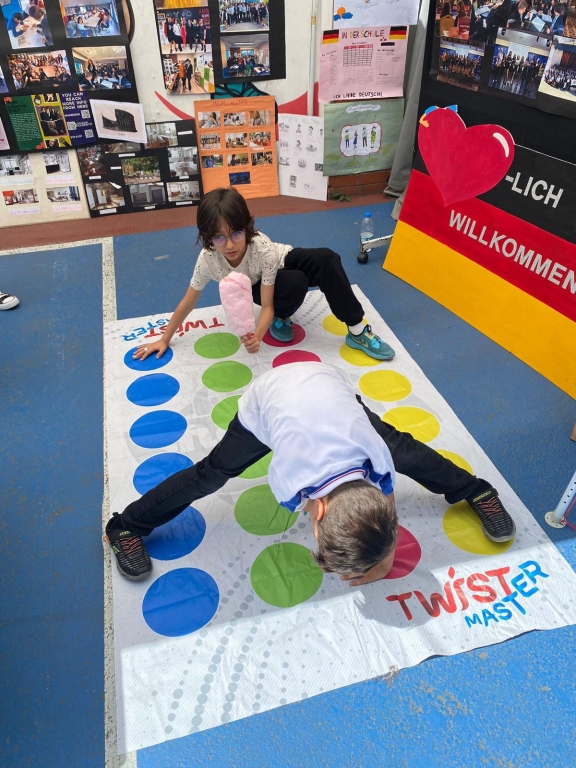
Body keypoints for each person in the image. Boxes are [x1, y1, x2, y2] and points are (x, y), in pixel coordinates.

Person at [105, 362, 516, 581]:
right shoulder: (291, 477)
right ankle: (124, 527)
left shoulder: (376, 458)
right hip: (269, 401)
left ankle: (476, 490)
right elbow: (377, 505)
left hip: (328, 386)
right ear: (315, 511)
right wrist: (376, 557)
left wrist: (384, 561)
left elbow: (387, 503)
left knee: (404, 450)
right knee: (211, 473)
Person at [133, 186, 396, 361]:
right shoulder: (208, 260)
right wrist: (164, 339)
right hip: (258, 285)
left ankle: (357, 331)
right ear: (207, 237)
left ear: (246, 228)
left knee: (327, 259)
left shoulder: (262, 248)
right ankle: (283, 317)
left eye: (236, 233)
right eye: (220, 237)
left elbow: (266, 306)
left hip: (279, 260)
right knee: (295, 283)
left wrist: (256, 334)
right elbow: (188, 302)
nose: (230, 244)